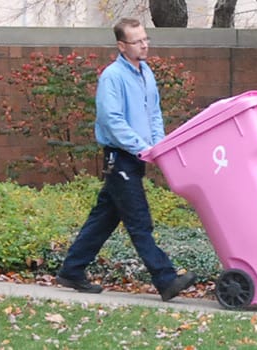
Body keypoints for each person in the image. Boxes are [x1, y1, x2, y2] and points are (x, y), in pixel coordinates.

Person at [54, 17, 195, 302]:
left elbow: (154, 114)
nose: (144, 45)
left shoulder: (146, 73)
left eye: (145, 39)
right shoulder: (112, 77)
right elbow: (112, 121)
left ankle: (71, 270)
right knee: (139, 221)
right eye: (137, 41)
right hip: (119, 158)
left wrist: (158, 146)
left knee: (104, 218)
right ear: (121, 45)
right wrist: (141, 147)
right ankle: (166, 280)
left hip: (137, 157)